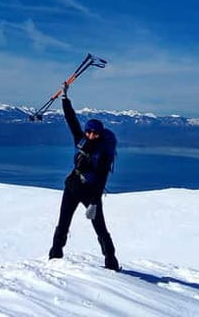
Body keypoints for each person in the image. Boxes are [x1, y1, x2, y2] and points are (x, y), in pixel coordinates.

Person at [48, 81, 119, 271]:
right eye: (88, 131)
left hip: (90, 193)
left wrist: (94, 202)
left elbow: (102, 177)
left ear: (100, 134)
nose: (90, 134)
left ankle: (112, 263)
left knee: (100, 228)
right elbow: (71, 120)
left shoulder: (103, 153)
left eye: (94, 132)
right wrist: (65, 98)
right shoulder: (81, 140)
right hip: (72, 186)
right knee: (63, 223)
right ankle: (54, 258)